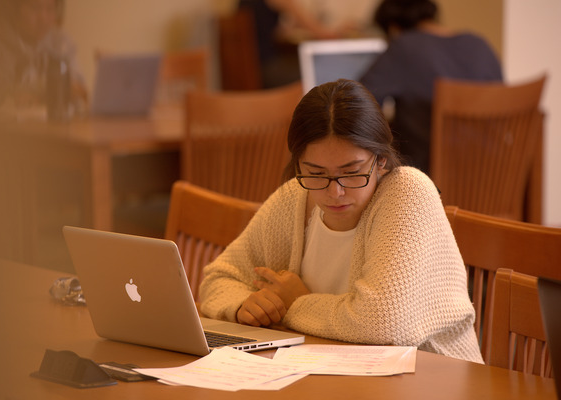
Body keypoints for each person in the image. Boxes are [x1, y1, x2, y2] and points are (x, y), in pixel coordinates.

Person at [199, 79, 483, 363]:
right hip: (334, 373)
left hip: (432, 376)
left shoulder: (408, 192)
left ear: (381, 159)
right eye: (316, 172)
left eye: (352, 172)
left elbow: (384, 325)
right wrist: (243, 304)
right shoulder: (295, 198)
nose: (335, 192)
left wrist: (294, 303)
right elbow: (218, 278)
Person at [359, 0, 503, 174]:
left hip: (428, 184)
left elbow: (357, 101)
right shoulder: (479, 45)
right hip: (494, 175)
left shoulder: (404, 46)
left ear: (393, 28)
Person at [0, 0, 87, 114]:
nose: (43, 18)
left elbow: (77, 88)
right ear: (14, 9)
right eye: (35, 8)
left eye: (50, 9)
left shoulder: (60, 42)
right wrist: (49, 89)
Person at [238, 0, 356, 88]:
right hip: (268, 68)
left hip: (252, 68)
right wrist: (342, 29)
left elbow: (264, 29)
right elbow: (323, 34)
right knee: (326, 69)